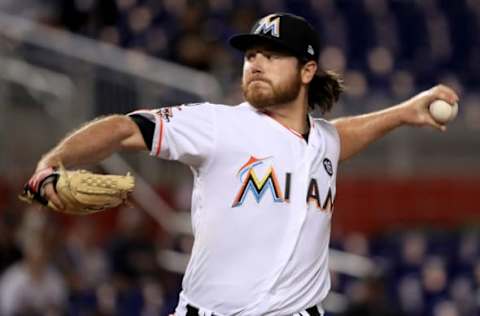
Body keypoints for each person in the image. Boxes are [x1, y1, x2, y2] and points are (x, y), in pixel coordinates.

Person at [25, 12, 458, 316]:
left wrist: (404, 112)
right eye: (251, 54)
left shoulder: (322, 141)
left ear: (307, 71)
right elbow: (123, 128)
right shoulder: (218, 125)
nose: (255, 62)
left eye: (271, 55)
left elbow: (340, 136)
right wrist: (52, 162)